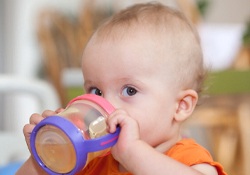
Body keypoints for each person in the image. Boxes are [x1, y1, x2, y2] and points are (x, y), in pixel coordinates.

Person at [16, 2, 227, 175]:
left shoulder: (186, 161)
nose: (106, 106)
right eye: (96, 91)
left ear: (181, 106)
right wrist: (43, 160)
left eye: (130, 91)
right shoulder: (91, 158)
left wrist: (133, 154)